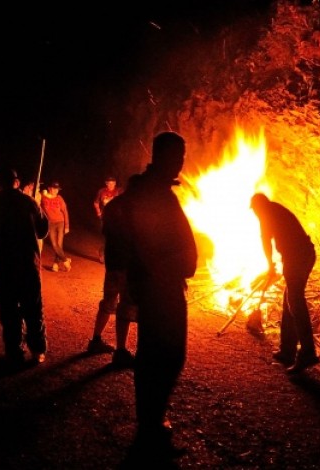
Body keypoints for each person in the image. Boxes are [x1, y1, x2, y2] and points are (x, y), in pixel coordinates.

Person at [121, 131, 197, 459]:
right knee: (164, 355)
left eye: (183, 156)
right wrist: (159, 273)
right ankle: (150, 428)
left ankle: (150, 422)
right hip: (160, 288)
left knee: (159, 355)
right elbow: (144, 243)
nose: (181, 162)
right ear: (161, 156)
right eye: (177, 156)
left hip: (163, 285)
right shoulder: (152, 193)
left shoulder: (157, 190)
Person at [0, 167, 50, 366]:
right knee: (33, 306)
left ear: (0, 184)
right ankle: (38, 349)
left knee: (8, 309)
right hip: (28, 263)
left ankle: (14, 350)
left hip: (5, 264)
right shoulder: (29, 202)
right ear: (16, 183)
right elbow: (43, 230)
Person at [250, 192, 319, 374]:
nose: (255, 214)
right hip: (303, 254)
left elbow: (265, 240)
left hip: (297, 256)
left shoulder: (267, 212)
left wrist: (269, 266)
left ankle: (308, 352)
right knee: (289, 299)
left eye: (254, 211)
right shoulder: (275, 209)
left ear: (258, 207)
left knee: (295, 301)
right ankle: (287, 350)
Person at [87, 177, 137, 368]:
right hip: (125, 264)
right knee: (125, 305)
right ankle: (121, 351)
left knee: (108, 301)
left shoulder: (112, 206)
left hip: (113, 263)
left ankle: (96, 340)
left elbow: (107, 232)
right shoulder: (131, 209)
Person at [40, 181, 71, 272]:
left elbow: (65, 211)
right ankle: (65, 260)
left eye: (57, 189)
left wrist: (67, 226)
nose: (56, 191)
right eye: (54, 188)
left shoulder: (59, 198)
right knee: (54, 244)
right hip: (50, 223)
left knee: (59, 245)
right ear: (49, 188)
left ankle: (55, 264)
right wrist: (42, 193)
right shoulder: (44, 198)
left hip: (60, 222)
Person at [93, 175, 123, 263]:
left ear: (115, 184)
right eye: (109, 183)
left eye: (113, 183)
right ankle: (102, 254)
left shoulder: (119, 191)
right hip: (105, 217)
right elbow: (96, 203)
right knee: (106, 237)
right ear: (106, 183)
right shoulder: (101, 191)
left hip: (116, 218)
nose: (111, 185)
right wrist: (98, 213)